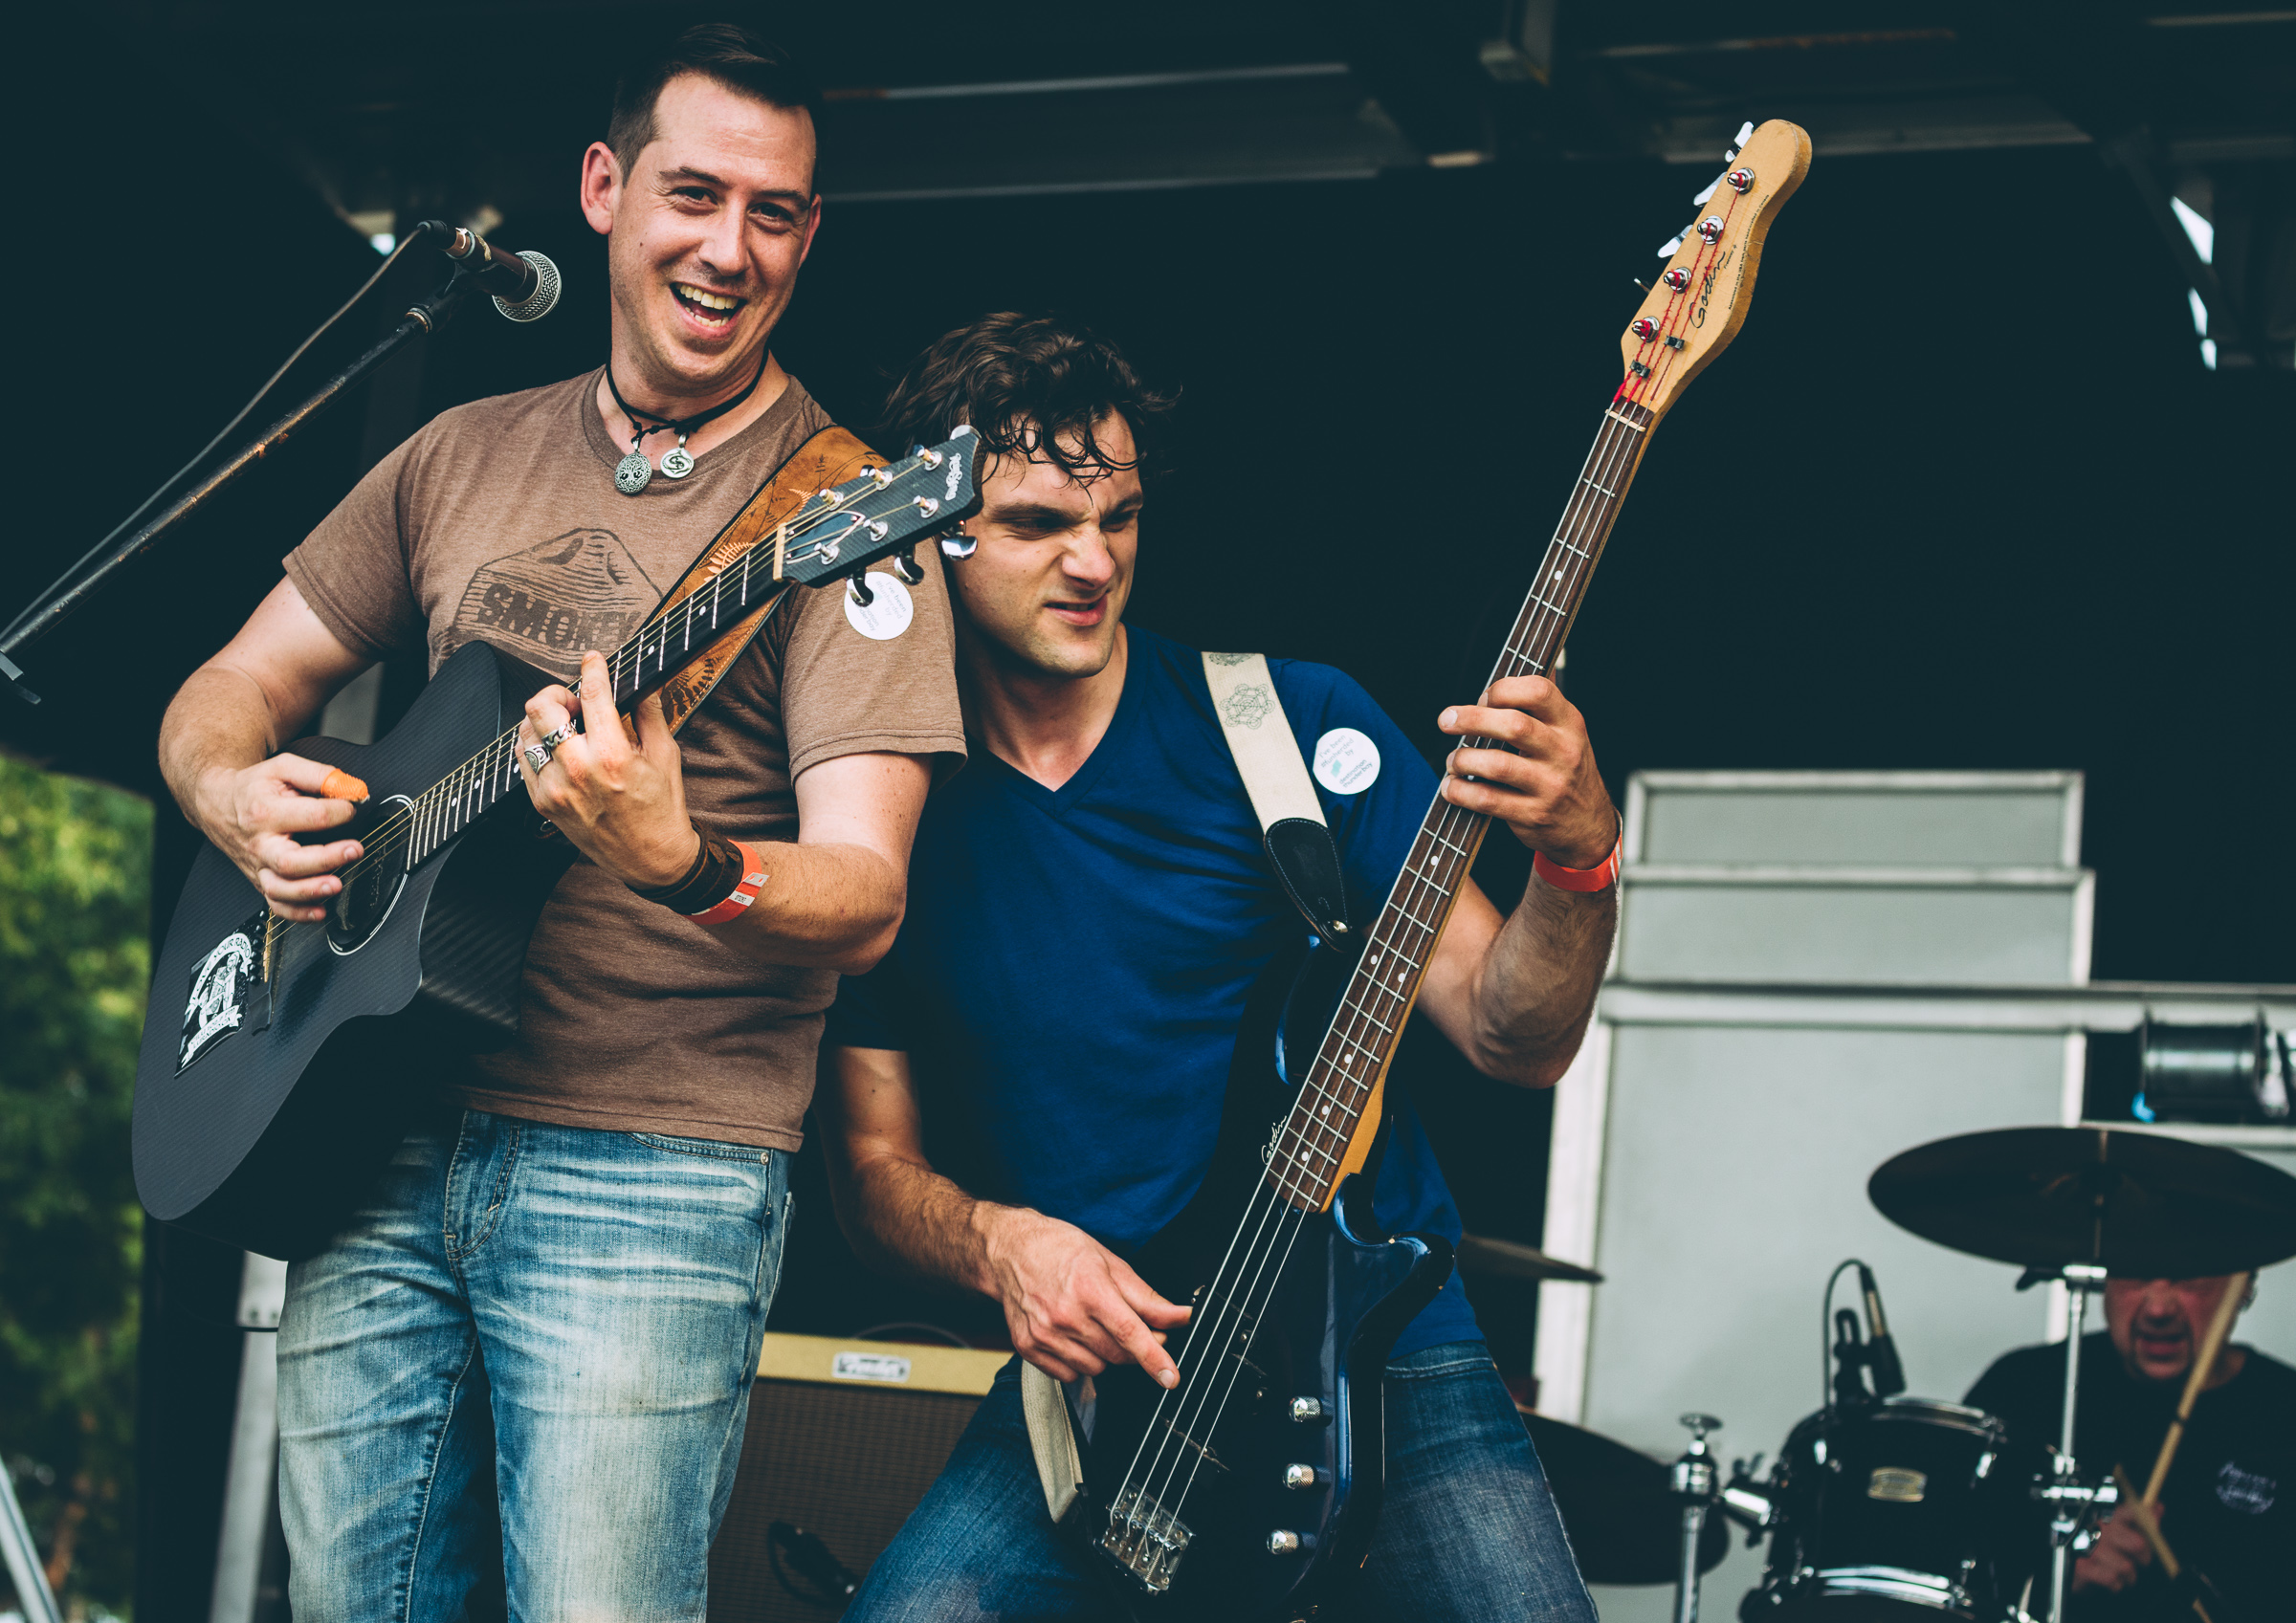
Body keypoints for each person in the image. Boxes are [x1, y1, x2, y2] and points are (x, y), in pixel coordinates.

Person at [155, 25, 965, 1620]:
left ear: (811, 234)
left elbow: (869, 893)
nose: (729, 249)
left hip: (651, 1174)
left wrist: (687, 860)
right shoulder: (458, 454)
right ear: (604, 188)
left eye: (775, 213)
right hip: (371, 1132)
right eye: (694, 194)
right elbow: (224, 690)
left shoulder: (853, 520)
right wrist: (233, 792)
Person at [818, 312, 1609, 1620]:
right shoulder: (885, 823)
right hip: (1103, 1386)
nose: (1093, 562)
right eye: (1036, 524)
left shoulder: (1291, 728)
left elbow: (1513, 1036)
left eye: (1120, 517)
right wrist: (1004, 1246)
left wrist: (1580, 859)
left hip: (1377, 1343)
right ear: (926, 537)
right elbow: (870, 1174)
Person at [1966, 1272, 2294, 1621]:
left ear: (2243, 1285)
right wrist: (2052, 1575)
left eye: (2189, 1278)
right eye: (2136, 1274)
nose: (2158, 1309)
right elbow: (1944, 1573)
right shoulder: (2022, 1389)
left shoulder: (2284, 1412)